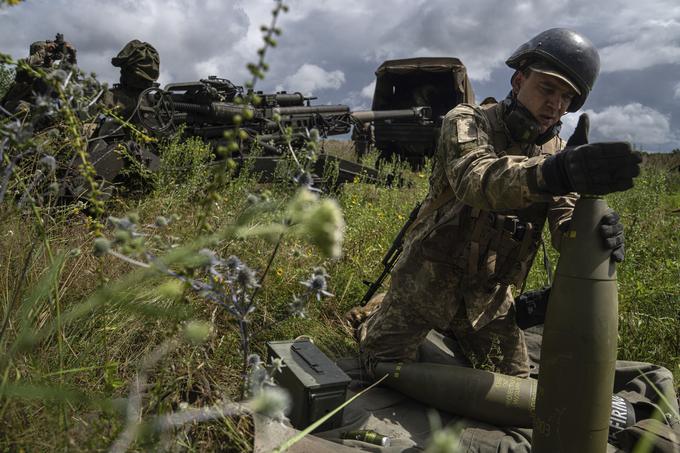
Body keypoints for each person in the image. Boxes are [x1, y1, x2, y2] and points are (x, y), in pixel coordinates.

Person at [354, 28, 642, 378]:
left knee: (516, 388)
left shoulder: (559, 155)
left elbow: (564, 227)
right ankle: (377, 311)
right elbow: (477, 179)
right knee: (380, 368)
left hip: (487, 302)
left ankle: (451, 334)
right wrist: (554, 173)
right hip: (424, 283)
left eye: (567, 97)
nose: (556, 104)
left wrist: (596, 231)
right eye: (547, 88)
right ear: (519, 81)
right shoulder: (467, 120)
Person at [1, 33, 78, 114]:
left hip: (46, 109)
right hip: (21, 108)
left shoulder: (52, 72)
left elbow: (71, 75)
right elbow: (27, 65)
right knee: (23, 109)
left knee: (65, 103)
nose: (50, 53)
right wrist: (45, 50)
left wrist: (71, 54)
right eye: (48, 51)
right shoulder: (27, 70)